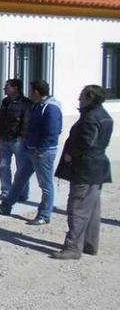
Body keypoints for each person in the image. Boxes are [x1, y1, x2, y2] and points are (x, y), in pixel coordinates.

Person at [52, 85, 113, 260]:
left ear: (90, 97)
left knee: (77, 208)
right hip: (97, 168)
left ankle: (73, 247)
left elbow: (85, 142)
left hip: (85, 169)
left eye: (81, 96)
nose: (79, 99)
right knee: (92, 209)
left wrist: (71, 155)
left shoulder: (90, 118)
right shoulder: (104, 116)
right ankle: (89, 244)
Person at [0, 80, 62, 225]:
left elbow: (53, 132)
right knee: (19, 180)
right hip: (30, 149)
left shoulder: (50, 108)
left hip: (43, 153)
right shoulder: (37, 105)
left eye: (31, 90)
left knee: (45, 185)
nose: (28, 92)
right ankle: (6, 206)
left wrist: (40, 149)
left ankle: (44, 214)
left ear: (36, 92)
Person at [0, 79, 32, 201]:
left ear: (15, 88)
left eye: (7, 86)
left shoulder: (26, 103)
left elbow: (26, 122)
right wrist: (0, 132)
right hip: (4, 139)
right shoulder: (5, 101)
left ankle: (22, 193)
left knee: (21, 168)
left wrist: (21, 136)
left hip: (18, 140)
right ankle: (5, 192)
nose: (4, 89)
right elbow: (0, 118)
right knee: (3, 166)